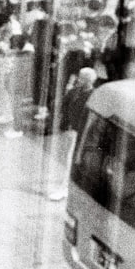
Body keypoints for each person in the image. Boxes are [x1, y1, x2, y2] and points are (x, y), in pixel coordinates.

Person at [48, 68, 97, 201]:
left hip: (78, 134)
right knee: (65, 158)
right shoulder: (74, 92)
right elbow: (62, 105)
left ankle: (64, 188)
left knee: (69, 160)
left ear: (88, 80)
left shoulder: (93, 97)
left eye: (81, 78)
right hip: (68, 131)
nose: (78, 80)